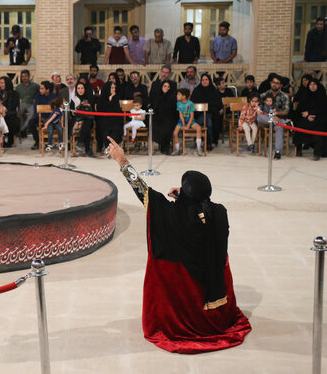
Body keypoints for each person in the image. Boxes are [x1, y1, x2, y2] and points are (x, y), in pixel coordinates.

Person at [106, 139, 252, 353]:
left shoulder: (172, 215)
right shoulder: (219, 212)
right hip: (213, 282)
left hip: (185, 297)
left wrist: (122, 161)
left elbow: (143, 191)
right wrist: (185, 197)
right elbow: (202, 208)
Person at [293, 79, 327, 160]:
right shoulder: (305, 95)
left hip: (319, 118)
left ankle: (317, 153)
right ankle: (299, 150)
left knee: (318, 129)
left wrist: (310, 113)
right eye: (310, 84)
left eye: (314, 84)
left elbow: (323, 109)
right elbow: (300, 109)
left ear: (318, 85)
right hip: (306, 118)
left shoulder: (322, 95)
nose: (312, 86)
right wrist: (307, 115)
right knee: (300, 126)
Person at [258, 74, 290, 159]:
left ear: (281, 85)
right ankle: (285, 122)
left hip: (277, 119)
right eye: (273, 82)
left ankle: (277, 151)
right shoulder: (263, 95)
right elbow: (259, 110)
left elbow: (286, 111)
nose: (274, 84)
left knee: (279, 126)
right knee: (259, 117)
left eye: (277, 83)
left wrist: (277, 114)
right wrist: (271, 116)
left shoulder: (285, 96)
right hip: (266, 120)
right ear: (270, 83)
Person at [190, 73, 218, 150]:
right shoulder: (197, 90)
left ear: (209, 80)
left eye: (206, 79)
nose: (204, 81)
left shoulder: (214, 90)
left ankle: (204, 141)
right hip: (197, 114)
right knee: (206, 121)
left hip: (211, 113)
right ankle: (208, 142)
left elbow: (217, 104)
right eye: (203, 80)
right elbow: (193, 103)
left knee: (208, 121)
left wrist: (207, 108)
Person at [172, 88, 203, 156]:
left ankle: (199, 148)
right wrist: (183, 125)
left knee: (199, 128)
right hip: (182, 121)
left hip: (190, 121)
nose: (177, 96)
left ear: (184, 96)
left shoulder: (190, 104)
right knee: (175, 132)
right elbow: (181, 115)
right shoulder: (178, 103)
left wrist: (188, 126)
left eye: (179, 94)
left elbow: (192, 116)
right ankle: (177, 149)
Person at [0, 76, 20, 147]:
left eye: (2, 83)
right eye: (0, 83)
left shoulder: (14, 94)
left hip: (10, 112)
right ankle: (0, 141)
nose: (1, 85)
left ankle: (9, 141)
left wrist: (5, 109)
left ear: (7, 83)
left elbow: (15, 105)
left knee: (10, 119)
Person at [152, 80, 178, 155]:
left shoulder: (173, 97)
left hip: (170, 118)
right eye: (165, 86)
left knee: (167, 126)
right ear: (161, 87)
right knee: (157, 126)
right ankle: (162, 145)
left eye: (168, 86)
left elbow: (174, 111)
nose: (166, 88)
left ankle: (165, 146)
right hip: (158, 118)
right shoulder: (157, 96)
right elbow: (155, 109)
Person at [97, 75, 123, 150]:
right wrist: (109, 99)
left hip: (114, 119)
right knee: (105, 128)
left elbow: (117, 110)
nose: (114, 89)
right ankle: (107, 147)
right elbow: (100, 109)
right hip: (104, 119)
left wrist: (112, 99)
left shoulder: (116, 97)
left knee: (116, 128)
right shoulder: (102, 97)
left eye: (114, 88)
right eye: (112, 88)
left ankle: (112, 147)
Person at [29, 81, 55, 149]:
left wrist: (48, 119)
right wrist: (41, 118)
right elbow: (36, 109)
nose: (40, 90)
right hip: (40, 117)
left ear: (47, 90)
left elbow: (55, 110)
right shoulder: (38, 96)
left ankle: (47, 140)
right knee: (31, 122)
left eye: (42, 88)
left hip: (50, 118)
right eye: (40, 88)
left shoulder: (53, 97)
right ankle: (37, 141)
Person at [15, 69, 39, 137]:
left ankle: (22, 129)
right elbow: (16, 98)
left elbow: (40, 93)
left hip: (31, 103)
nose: (24, 78)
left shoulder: (35, 86)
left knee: (32, 114)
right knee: (19, 114)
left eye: (25, 76)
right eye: (22, 76)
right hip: (23, 103)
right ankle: (23, 132)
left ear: (29, 77)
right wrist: (17, 108)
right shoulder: (18, 87)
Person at [74, 81, 95, 157]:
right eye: (78, 88)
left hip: (88, 120)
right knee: (87, 126)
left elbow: (92, 112)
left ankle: (80, 141)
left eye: (82, 88)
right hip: (77, 121)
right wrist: (80, 105)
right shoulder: (74, 99)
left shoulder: (89, 98)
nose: (80, 90)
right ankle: (88, 149)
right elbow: (72, 113)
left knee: (87, 123)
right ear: (76, 89)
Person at [212, 77, 232, 146]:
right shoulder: (215, 92)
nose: (224, 84)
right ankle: (217, 135)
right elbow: (216, 104)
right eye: (223, 83)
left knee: (219, 114)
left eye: (224, 82)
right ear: (218, 86)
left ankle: (218, 133)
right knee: (217, 115)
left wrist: (224, 108)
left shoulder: (229, 91)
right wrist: (222, 109)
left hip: (229, 109)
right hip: (220, 109)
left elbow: (233, 101)